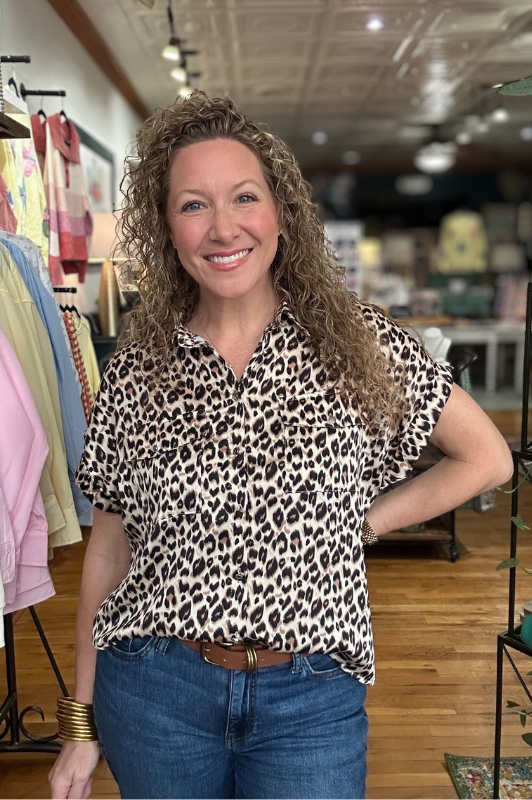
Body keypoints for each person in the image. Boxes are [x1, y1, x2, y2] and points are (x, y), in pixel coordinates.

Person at [49, 92, 513, 800]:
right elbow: (108, 552)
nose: (223, 227)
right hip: (154, 691)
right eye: (194, 205)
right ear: (166, 227)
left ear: (280, 212)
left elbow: (488, 457)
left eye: (244, 197)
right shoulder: (139, 370)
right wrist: (80, 725)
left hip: (311, 697)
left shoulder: (356, 343)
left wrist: (361, 521)